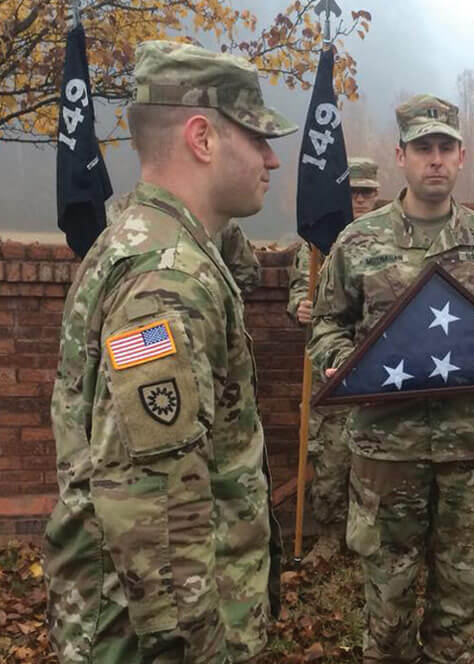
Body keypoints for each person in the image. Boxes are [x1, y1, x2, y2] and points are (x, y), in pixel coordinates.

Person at [44, 41, 297, 663]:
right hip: (155, 639)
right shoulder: (168, 278)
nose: (272, 158)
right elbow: (152, 509)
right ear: (203, 138)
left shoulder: (146, 240)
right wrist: (200, 649)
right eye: (257, 137)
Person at [307, 94, 474, 664]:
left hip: (468, 449)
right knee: (388, 598)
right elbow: (326, 324)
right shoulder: (358, 242)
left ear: (462, 156)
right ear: (401, 156)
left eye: (445, 147)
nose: (435, 159)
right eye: (423, 148)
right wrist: (337, 358)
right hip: (386, 450)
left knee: (459, 592)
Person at [287, 157, 381, 563]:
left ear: (376, 195)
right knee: (326, 462)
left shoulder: (390, 244)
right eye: (353, 192)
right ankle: (327, 537)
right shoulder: (315, 247)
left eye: (366, 192)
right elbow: (296, 293)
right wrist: (300, 307)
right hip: (328, 373)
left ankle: (370, 541)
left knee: (376, 465)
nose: (359, 199)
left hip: (377, 373)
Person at [109, 193, 263, 295]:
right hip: (150, 328)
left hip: (142, 322)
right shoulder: (213, 212)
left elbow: (247, 273)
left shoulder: (121, 212)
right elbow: (247, 274)